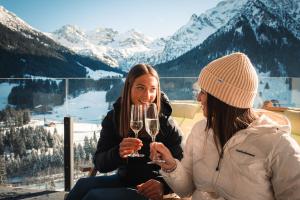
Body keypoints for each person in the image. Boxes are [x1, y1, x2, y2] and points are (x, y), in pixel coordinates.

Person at [150, 52, 300, 200]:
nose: (198, 98)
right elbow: (186, 190)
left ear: (222, 99)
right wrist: (170, 166)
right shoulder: (199, 130)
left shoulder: (279, 145)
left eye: (203, 92)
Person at [66, 64, 183, 200]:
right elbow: (99, 163)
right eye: (140, 88)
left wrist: (163, 185)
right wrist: (117, 153)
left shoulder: (165, 121)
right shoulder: (115, 117)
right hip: (124, 180)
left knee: (94, 196)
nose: (147, 95)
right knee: (82, 185)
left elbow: (181, 164)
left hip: (151, 187)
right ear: (129, 87)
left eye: (153, 89)